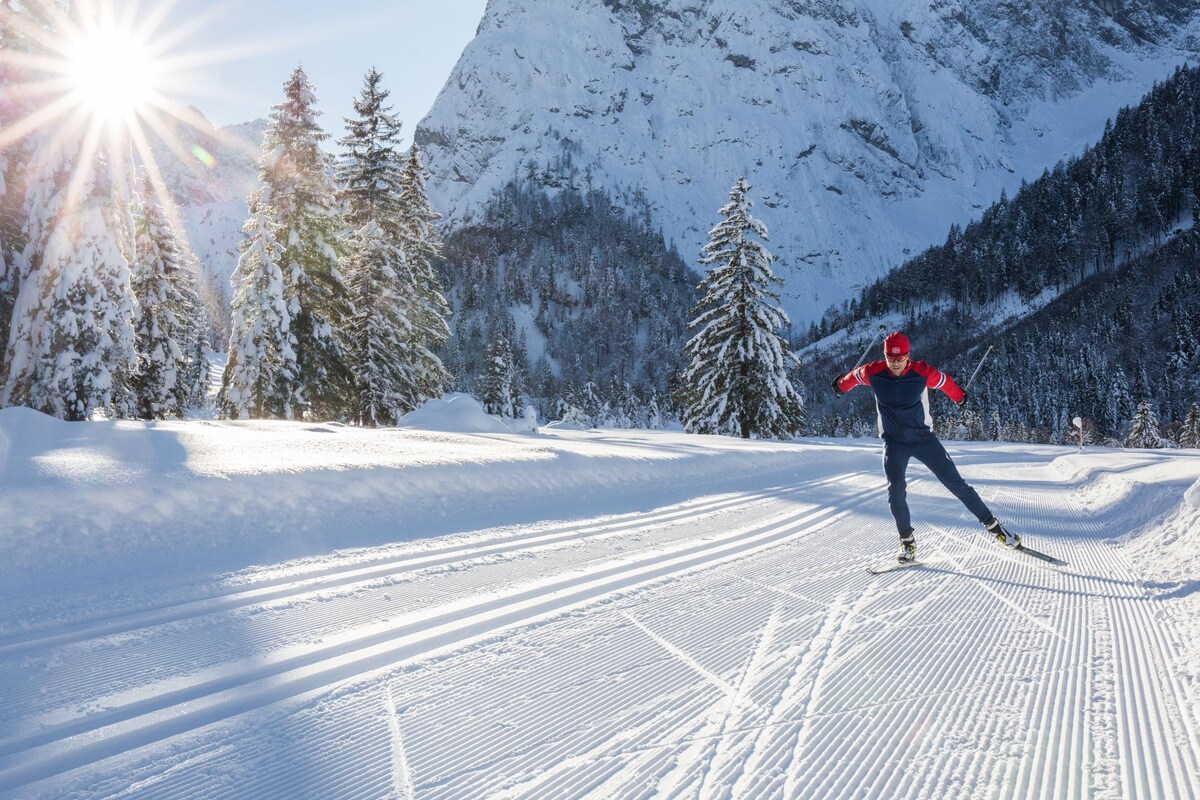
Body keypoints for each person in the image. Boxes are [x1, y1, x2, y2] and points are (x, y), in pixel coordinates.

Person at [831, 331, 1020, 563]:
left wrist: (959, 397)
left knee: (956, 484)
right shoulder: (873, 371)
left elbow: (946, 383)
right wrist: (841, 386)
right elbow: (853, 377)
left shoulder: (922, 372)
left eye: (900, 359)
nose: (896, 363)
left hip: (923, 440)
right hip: (893, 441)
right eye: (891, 358)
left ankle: (996, 529)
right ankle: (907, 544)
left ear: (908, 356)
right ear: (885, 356)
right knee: (896, 489)